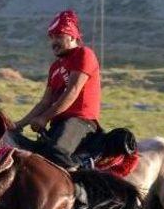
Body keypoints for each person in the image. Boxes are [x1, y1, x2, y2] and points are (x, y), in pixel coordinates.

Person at [13, 10, 101, 169]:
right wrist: (19, 124)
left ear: (73, 36)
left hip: (80, 121)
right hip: (58, 122)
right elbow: (45, 102)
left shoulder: (84, 54)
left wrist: (44, 118)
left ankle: (87, 169)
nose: (54, 41)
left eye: (59, 36)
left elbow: (72, 91)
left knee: (55, 152)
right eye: (52, 37)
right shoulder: (55, 67)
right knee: (34, 155)